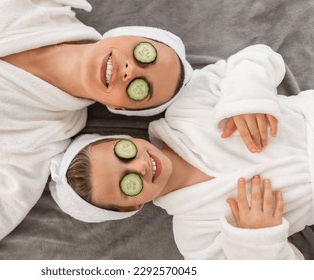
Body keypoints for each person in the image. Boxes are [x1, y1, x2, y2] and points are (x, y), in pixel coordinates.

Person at [0, 0, 193, 259]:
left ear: (120, 109)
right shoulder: (43, 7)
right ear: (124, 35)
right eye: (144, 54)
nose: (131, 70)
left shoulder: (45, 139)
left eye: (141, 89)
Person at [49, 43, 314, 259]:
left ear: (124, 137)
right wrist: (257, 241)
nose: (139, 166)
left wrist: (247, 96)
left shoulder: (189, 107)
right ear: (131, 207)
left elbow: (256, 57)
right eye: (127, 184)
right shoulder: (195, 237)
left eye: (124, 152)